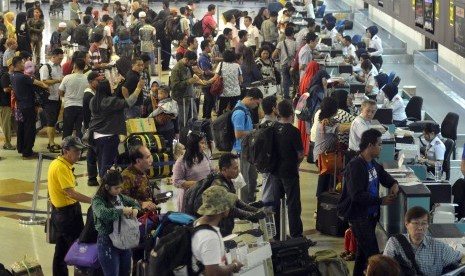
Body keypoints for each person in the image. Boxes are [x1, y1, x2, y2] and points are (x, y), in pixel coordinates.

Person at [337, 128, 399, 276]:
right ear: (370, 145)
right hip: (359, 218)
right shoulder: (356, 166)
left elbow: (382, 175)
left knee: (362, 255)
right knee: (375, 259)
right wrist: (380, 201)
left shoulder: (372, 163)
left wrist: (393, 183)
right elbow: (357, 195)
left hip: (370, 217)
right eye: (379, 144)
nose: (381, 148)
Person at [48, 136, 92, 276]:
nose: (79, 154)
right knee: (79, 250)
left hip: (60, 212)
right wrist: (93, 200)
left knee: (61, 250)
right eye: (76, 151)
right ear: (66, 151)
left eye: (80, 151)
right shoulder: (61, 167)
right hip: (67, 215)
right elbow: (71, 193)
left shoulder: (57, 163)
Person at [384, 206, 463, 276]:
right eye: (416, 223)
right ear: (406, 224)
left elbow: (461, 257)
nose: (420, 228)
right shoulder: (395, 243)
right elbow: (383, 268)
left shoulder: (439, 247)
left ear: (428, 225)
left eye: (424, 223)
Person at [89, 79, 143, 178]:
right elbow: (129, 102)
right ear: (106, 88)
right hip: (109, 137)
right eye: (110, 85)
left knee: (101, 163)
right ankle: (105, 187)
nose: (111, 86)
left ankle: (103, 182)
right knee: (106, 165)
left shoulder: (93, 100)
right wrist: (138, 88)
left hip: (96, 136)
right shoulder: (109, 102)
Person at [92, 170, 141, 276]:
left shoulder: (120, 197)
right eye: (116, 188)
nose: (119, 190)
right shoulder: (97, 200)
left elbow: (134, 202)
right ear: (106, 187)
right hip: (107, 241)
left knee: (125, 272)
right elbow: (102, 213)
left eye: (120, 187)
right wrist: (121, 211)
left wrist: (136, 209)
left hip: (123, 240)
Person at [271, 100, 307, 239]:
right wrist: (296, 164)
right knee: (293, 204)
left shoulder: (272, 128)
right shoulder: (294, 131)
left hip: (275, 171)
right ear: (292, 113)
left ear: (278, 113)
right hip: (290, 171)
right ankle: (296, 234)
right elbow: (300, 154)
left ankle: (277, 234)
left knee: (276, 204)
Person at [120, 145, 158, 274]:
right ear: (138, 161)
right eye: (147, 157)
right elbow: (121, 201)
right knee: (137, 256)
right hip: (133, 225)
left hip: (147, 222)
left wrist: (154, 201)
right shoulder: (126, 176)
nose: (151, 159)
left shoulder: (143, 173)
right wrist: (141, 204)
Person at [192, 185, 243, 275]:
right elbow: (213, 273)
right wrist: (234, 265)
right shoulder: (209, 237)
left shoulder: (198, 223)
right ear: (222, 209)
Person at [10, 56, 48, 159]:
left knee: (21, 127)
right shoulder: (24, 77)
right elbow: (38, 83)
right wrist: (45, 86)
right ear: (17, 64)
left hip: (20, 105)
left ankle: (21, 147)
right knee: (29, 129)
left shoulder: (12, 76)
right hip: (28, 105)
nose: (24, 65)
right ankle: (27, 151)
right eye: (22, 63)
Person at [313, 97, 350, 197]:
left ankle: (323, 203)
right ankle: (320, 205)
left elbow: (343, 124)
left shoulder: (328, 120)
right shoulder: (326, 123)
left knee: (328, 180)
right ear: (333, 110)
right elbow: (342, 128)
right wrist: (357, 122)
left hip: (326, 155)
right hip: (323, 157)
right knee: (324, 182)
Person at [232, 88, 263, 203]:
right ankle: (244, 204)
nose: (256, 106)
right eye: (257, 103)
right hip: (242, 151)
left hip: (249, 150)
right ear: (250, 99)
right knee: (243, 180)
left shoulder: (245, 110)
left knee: (252, 178)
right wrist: (253, 132)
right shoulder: (239, 113)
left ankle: (250, 201)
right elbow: (238, 134)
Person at [173, 131, 213, 212]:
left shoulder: (204, 156)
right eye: (202, 143)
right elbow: (176, 182)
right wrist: (198, 184)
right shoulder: (181, 161)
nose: (204, 146)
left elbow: (210, 172)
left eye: (205, 143)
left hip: (204, 196)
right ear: (194, 144)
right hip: (190, 198)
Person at [40, 48, 65, 153]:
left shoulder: (59, 67)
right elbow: (44, 81)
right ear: (53, 56)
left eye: (61, 59)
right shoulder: (46, 67)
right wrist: (58, 80)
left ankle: (53, 142)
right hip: (49, 99)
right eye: (59, 58)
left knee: (54, 121)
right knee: (50, 122)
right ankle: (51, 143)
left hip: (57, 97)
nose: (60, 61)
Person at [170, 51, 204, 128]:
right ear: (185, 59)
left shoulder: (188, 66)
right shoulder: (176, 69)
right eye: (191, 62)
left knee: (194, 118)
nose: (191, 64)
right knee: (183, 122)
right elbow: (174, 86)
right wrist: (188, 81)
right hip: (181, 100)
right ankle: (183, 137)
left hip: (190, 97)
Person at [83, 72, 104, 187]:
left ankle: (96, 176)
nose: (100, 83)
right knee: (93, 153)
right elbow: (87, 115)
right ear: (91, 82)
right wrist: (88, 129)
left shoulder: (95, 93)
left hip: (95, 127)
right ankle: (93, 177)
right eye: (98, 81)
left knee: (96, 152)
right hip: (92, 128)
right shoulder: (89, 95)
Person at [58, 59, 88, 139]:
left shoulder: (67, 78)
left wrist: (67, 95)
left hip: (69, 107)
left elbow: (60, 93)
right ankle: (79, 148)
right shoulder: (87, 79)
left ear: (74, 66)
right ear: (84, 67)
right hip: (81, 107)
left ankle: (66, 148)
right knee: (80, 130)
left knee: (67, 130)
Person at [272, 26, 297, 99]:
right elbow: (297, 56)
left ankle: (286, 96)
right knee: (294, 81)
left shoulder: (280, 43)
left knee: (285, 80)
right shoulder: (295, 43)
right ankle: (294, 95)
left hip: (283, 64)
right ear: (293, 34)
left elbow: (274, 55)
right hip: (292, 65)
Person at [216, 50, 243, 115]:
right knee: (235, 111)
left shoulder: (221, 64)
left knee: (221, 112)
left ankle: (220, 124)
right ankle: (233, 124)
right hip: (236, 93)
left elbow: (216, 77)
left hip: (224, 93)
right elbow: (241, 80)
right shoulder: (237, 66)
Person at [198, 40, 215, 120]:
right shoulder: (203, 58)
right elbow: (207, 72)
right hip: (206, 83)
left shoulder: (207, 57)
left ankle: (205, 116)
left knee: (207, 100)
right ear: (205, 47)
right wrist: (216, 74)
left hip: (208, 82)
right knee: (210, 101)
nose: (211, 47)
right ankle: (207, 117)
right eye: (209, 46)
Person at [0, 58, 15, 151]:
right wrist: (15, 87)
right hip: (5, 104)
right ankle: (7, 143)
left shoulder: (14, 76)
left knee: (15, 123)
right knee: (6, 125)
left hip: (12, 104)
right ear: (10, 66)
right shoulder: (5, 76)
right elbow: (6, 89)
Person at [138, 12, 157, 76]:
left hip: (143, 46)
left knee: (143, 59)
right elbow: (154, 38)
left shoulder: (141, 28)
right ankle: (153, 72)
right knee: (151, 59)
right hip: (150, 45)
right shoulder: (153, 28)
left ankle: (141, 70)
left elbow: (140, 38)